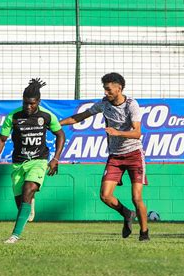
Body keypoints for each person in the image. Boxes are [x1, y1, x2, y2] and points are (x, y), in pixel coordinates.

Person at [60, 72, 149, 241]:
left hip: (134, 155)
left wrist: (117, 133)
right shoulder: (104, 104)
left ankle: (144, 233)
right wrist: (58, 123)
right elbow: (80, 116)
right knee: (105, 196)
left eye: (108, 89)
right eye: (104, 89)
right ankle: (127, 213)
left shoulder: (131, 105)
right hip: (115, 156)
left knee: (136, 197)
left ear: (119, 88)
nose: (106, 92)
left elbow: (137, 133)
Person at [0, 78, 65, 243]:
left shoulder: (47, 116)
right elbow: (1, 140)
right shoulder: (13, 117)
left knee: (28, 189)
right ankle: (29, 202)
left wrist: (55, 158)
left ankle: (14, 236)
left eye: (32, 104)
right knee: (21, 204)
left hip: (39, 161)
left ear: (38, 102)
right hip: (18, 163)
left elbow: (60, 134)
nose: (28, 107)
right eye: (25, 103)